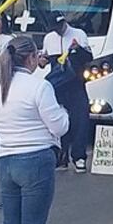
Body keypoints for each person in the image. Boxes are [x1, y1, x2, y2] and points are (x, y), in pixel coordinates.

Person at [0, 34, 68, 224]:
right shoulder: (39, 87)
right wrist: (65, 113)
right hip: (35, 158)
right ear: (32, 57)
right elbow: (58, 126)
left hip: (5, 159)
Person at [43, 14, 94, 171]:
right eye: (54, 29)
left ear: (64, 23)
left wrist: (77, 49)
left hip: (76, 83)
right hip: (58, 85)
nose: (57, 31)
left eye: (59, 27)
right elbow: (45, 61)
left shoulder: (79, 34)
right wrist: (42, 60)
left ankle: (79, 157)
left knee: (80, 120)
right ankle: (61, 156)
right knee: (58, 121)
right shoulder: (49, 38)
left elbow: (89, 58)